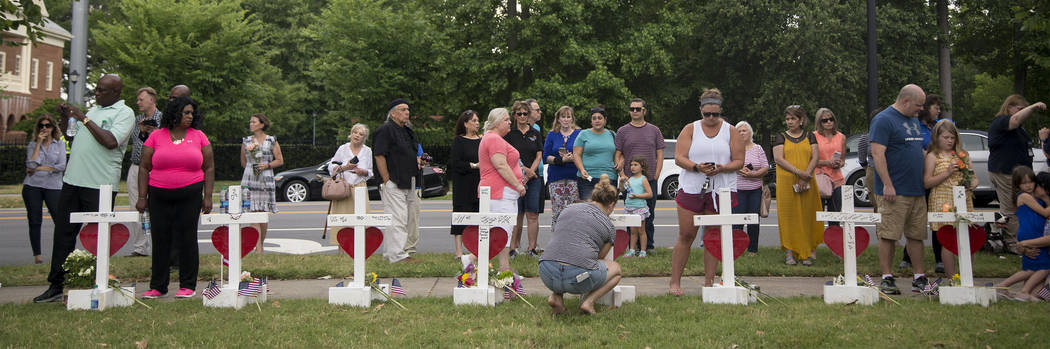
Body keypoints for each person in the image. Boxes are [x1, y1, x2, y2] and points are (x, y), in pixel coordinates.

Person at [34, 74, 136, 303]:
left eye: (101, 90)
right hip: (73, 181)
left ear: (116, 93)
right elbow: (71, 136)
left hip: (99, 184)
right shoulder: (94, 111)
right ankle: (56, 284)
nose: (97, 93)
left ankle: (97, 282)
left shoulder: (124, 113)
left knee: (97, 238)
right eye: (96, 89)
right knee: (63, 235)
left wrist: (83, 118)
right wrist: (66, 118)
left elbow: (110, 142)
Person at [668, 89, 744, 295]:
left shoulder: (731, 131)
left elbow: (739, 161)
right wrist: (696, 167)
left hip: (719, 190)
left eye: (715, 114)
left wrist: (722, 168)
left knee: (712, 235)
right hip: (692, 187)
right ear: (701, 111)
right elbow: (679, 157)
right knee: (686, 234)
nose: (711, 118)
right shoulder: (690, 129)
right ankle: (675, 282)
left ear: (721, 112)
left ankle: (709, 282)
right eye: (707, 114)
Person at [136, 96, 214, 298]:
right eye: (186, 112)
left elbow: (209, 167)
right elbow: (144, 167)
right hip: (158, 195)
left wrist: (208, 196)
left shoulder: (198, 136)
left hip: (190, 194)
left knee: (187, 239)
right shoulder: (156, 136)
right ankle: (158, 286)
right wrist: (142, 197)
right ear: (175, 112)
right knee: (160, 239)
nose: (190, 116)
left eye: (192, 113)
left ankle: (187, 285)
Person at [870, 84, 930, 295]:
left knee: (916, 235)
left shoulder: (913, 120)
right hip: (894, 191)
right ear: (905, 101)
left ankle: (919, 277)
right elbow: (878, 154)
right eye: (918, 105)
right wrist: (887, 184)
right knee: (889, 235)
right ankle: (887, 278)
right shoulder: (884, 120)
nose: (920, 109)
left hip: (916, 190)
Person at [538, 174, 622, 315]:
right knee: (616, 270)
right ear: (611, 205)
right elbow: (599, 257)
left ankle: (556, 296)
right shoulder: (609, 227)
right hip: (578, 277)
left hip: (546, 271)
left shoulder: (568, 209)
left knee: (563, 253)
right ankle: (589, 303)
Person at [987, 94, 1047, 255]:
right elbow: (1014, 120)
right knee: (1011, 209)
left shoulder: (1019, 128)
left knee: (1020, 207)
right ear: (1009, 108)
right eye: (1020, 109)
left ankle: (1019, 240)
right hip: (1004, 172)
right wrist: (1033, 106)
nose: (1025, 113)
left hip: (1018, 175)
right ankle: (1013, 244)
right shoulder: (1003, 121)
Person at [924, 121, 978, 278]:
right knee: (948, 240)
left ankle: (967, 276)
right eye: (945, 137)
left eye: (952, 138)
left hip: (962, 198)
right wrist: (947, 172)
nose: (949, 141)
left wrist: (971, 184)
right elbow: (927, 182)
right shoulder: (933, 156)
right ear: (937, 137)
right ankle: (952, 277)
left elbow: (974, 178)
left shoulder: (963, 155)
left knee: (966, 238)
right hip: (943, 198)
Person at [374, 98, 424, 264]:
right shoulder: (385, 130)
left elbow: (412, 153)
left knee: (402, 218)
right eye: (403, 109)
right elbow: (379, 154)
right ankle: (398, 256)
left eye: (408, 109)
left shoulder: (408, 131)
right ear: (393, 113)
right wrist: (386, 179)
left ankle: (390, 253)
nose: (407, 112)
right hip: (393, 180)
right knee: (398, 219)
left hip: (409, 180)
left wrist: (419, 161)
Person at [773, 105, 823, 266]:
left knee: (807, 215)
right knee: (789, 215)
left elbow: (815, 157)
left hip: (807, 180)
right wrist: (798, 173)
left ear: (801, 120)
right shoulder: (781, 137)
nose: (789, 122)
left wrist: (805, 175)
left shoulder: (810, 136)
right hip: (787, 182)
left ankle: (806, 251)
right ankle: (789, 251)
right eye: (787, 119)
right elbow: (779, 159)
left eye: (793, 118)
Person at [902, 95, 948, 271]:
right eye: (935, 107)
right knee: (916, 219)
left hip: (937, 178)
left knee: (938, 219)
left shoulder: (939, 126)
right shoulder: (914, 125)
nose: (938, 110)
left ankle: (939, 259)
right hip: (917, 178)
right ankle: (907, 257)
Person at [478, 107, 526, 272]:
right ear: (497, 122)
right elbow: (500, 165)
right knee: (501, 232)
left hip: (503, 193)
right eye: (506, 120)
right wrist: (518, 185)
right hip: (499, 193)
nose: (510, 122)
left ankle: (505, 268)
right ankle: (472, 260)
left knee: (503, 232)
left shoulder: (494, 138)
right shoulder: (494, 139)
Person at [615, 98, 665, 255]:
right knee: (631, 215)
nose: (635, 111)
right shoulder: (622, 131)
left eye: (638, 109)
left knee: (648, 214)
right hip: (630, 181)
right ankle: (632, 248)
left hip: (648, 180)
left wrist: (656, 173)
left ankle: (648, 247)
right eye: (632, 109)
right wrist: (623, 175)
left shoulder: (654, 130)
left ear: (644, 111)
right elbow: (618, 154)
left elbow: (660, 153)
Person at [994, 169, 1050, 301]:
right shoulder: (1024, 196)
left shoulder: (1034, 198)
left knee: (1032, 268)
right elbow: (1044, 212)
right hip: (1030, 234)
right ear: (1017, 185)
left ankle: (1018, 290)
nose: (1029, 185)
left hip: (1033, 235)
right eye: (1024, 183)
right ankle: (1014, 288)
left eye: (1031, 182)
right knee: (1043, 267)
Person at [22, 115, 65, 264]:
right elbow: (31, 165)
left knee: (59, 220)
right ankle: (37, 256)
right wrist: (39, 142)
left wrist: (41, 168)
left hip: (54, 186)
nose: (44, 128)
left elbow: (61, 166)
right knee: (34, 220)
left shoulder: (59, 144)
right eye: (41, 126)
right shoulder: (33, 144)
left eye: (48, 125)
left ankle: (60, 254)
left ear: (53, 127)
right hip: (32, 186)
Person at [505, 100, 544, 258]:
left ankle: (532, 248)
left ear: (529, 115)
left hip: (533, 179)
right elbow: (508, 157)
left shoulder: (535, 133)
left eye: (525, 113)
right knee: (517, 214)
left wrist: (530, 172)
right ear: (514, 116)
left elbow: (539, 155)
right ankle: (513, 248)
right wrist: (524, 171)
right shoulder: (509, 134)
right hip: (515, 178)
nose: (522, 116)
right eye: (519, 113)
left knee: (532, 213)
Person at [240, 114, 283, 254]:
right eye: (250, 121)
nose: (250, 124)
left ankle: (260, 245)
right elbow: (243, 162)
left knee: (262, 214)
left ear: (262, 124)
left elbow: (280, 160)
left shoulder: (271, 140)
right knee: (252, 213)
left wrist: (266, 165)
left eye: (253, 122)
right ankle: (258, 250)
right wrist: (252, 169)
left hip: (265, 179)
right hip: (250, 179)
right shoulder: (246, 141)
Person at [128, 87, 162, 257]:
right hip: (136, 166)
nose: (138, 102)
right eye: (138, 99)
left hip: (155, 168)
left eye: (141, 99)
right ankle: (140, 247)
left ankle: (159, 247)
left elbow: (163, 143)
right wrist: (141, 130)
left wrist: (152, 132)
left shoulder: (162, 119)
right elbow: (134, 141)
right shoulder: (137, 120)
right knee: (136, 207)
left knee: (156, 208)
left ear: (152, 100)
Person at [326, 123, 374, 242]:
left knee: (361, 219)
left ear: (364, 138)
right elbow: (331, 168)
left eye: (361, 134)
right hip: (343, 188)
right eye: (355, 132)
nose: (357, 135)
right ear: (351, 134)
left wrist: (364, 172)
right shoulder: (343, 149)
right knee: (342, 220)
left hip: (360, 187)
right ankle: (341, 249)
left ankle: (359, 248)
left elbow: (371, 172)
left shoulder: (368, 151)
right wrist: (345, 167)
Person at [732, 121, 768, 256]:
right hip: (738, 189)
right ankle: (737, 249)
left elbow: (765, 167)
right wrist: (738, 169)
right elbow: (728, 165)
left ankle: (752, 249)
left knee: (753, 220)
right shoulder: (733, 148)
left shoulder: (758, 148)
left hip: (755, 190)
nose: (741, 133)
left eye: (744, 130)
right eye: (739, 131)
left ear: (750, 133)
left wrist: (753, 174)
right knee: (738, 221)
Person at [449, 111, 481, 259]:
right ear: (465, 123)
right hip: (463, 183)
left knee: (477, 216)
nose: (477, 123)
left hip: (479, 183)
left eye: (477, 120)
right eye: (473, 120)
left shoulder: (482, 140)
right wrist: (474, 165)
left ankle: (475, 251)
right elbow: (455, 163)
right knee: (461, 214)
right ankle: (459, 252)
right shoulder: (459, 141)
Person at [543, 105, 580, 224]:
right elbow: (545, 156)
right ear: (558, 119)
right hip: (556, 178)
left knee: (574, 212)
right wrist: (560, 160)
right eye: (563, 117)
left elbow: (584, 153)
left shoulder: (580, 134)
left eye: (568, 117)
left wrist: (574, 158)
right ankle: (558, 240)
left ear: (572, 119)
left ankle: (574, 240)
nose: (565, 119)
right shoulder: (552, 134)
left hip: (574, 177)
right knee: (557, 212)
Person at [573, 106, 617, 200]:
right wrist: (581, 169)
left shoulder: (612, 134)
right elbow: (576, 154)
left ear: (605, 120)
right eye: (594, 118)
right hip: (587, 178)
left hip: (609, 178)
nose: (597, 120)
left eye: (600, 118)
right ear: (591, 121)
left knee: (606, 209)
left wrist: (620, 164)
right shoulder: (583, 134)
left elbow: (619, 154)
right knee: (589, 209)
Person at [813, 108, 846, 227]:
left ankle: (834, 242)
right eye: (824, 120)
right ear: (819, 122)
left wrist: (839, 163)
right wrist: (827, 162)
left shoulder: (841, 136)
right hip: (820, 178)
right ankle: (815, 243)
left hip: (837, 179)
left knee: (835, 214)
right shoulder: (813, 136)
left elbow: (843, 160)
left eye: (831, 119)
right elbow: (810, 161)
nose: (828, 122)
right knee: (817, 216)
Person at [620, 157, 653, 257]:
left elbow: (650, 194)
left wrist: (637, 196)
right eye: (631, 165)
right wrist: (621, 182)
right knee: (633, 231)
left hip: (639, 207)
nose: (632, 167)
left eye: (635, 165)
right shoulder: (630, 179)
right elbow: (622, 190)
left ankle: (643, 251)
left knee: (641, 231)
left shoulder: (643, 179)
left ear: (642, 167)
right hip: (630, 207)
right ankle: (632, 250)